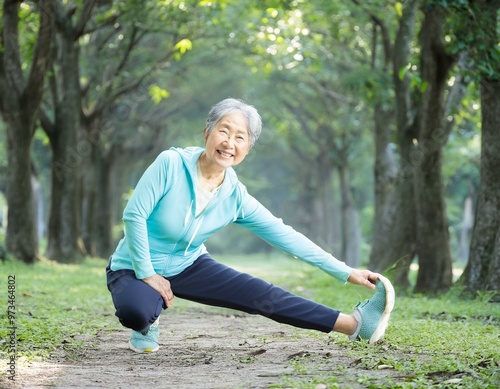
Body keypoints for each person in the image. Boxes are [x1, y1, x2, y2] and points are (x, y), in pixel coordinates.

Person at [106, 98, 395, 353]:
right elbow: (134, 216)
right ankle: (148, 320)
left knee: (262, 295)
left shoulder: (235, 196)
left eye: (240, 137)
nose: (229, 143)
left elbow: (285, 236)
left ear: (247, 148)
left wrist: (346, 272)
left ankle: (356, 325)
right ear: (207, 132)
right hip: (133, 265)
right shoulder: (170, 164)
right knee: (136, 312)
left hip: (187, 265)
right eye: (223, 130)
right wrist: (147, 273)